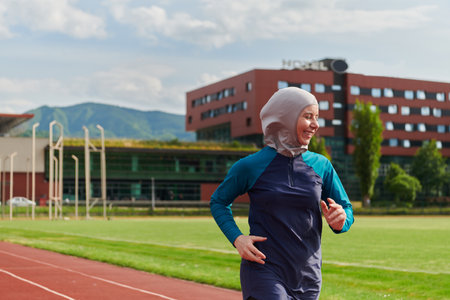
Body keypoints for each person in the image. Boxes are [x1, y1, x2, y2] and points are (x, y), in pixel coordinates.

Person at [210, 87, 354, 300]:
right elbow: (219, 202)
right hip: (264, 270)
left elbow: (347, 209)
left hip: (308, 275)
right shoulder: (250, 166)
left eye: (317, 117)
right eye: (308, 117)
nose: (315, 125)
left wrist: (342, 220)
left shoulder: (322, 165)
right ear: (285, 117)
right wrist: (237, 238)